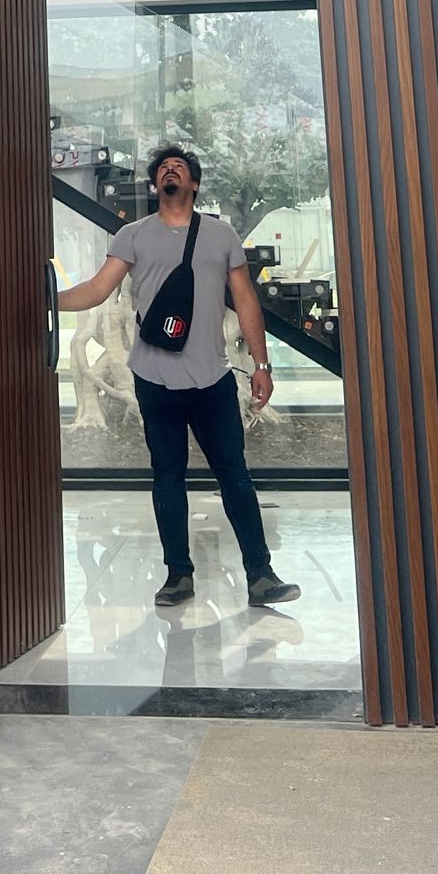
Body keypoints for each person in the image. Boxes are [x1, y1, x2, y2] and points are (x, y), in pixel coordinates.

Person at [56, 143, 301, 609]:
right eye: (163, 168)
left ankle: (261, 574)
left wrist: (262, 365)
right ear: (155, 185)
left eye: (180, 167)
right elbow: (96, 288)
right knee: (167, 477)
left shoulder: (221, 234)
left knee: (235, 476)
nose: (171, 171)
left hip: (212, 378)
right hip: (155, 377)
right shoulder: (133, 235)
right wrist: (44, 298)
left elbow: (245, 300)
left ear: (193, 183)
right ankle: (178, 575)